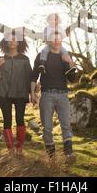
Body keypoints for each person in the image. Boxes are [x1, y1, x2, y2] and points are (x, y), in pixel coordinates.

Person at [30, 30, 78, 164]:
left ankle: (68, 154)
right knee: (47, 127)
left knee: (66, 125)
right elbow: (34, 76)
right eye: (54, 39)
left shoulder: (65, 56)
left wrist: (71, 63)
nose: (56, 41)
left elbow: (73, 79)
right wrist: (32, 93)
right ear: (49, 40)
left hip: (63, 94)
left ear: (61, 40)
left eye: (59, 39)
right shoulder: (41, 56)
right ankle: (51, 157)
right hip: (47, 94)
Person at [0, 29, 33, 156]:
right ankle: (10, 150)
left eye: (15, 39)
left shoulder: (25, 59)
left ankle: (19, 148)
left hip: (20, 94)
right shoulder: (1, 58)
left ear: (19, 42)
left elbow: (30, 77)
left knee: (20, 119)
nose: (12, 41)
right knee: (7, 120)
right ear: (6, 42)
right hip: (4, 94)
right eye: (9, 39)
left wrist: (32, 94)